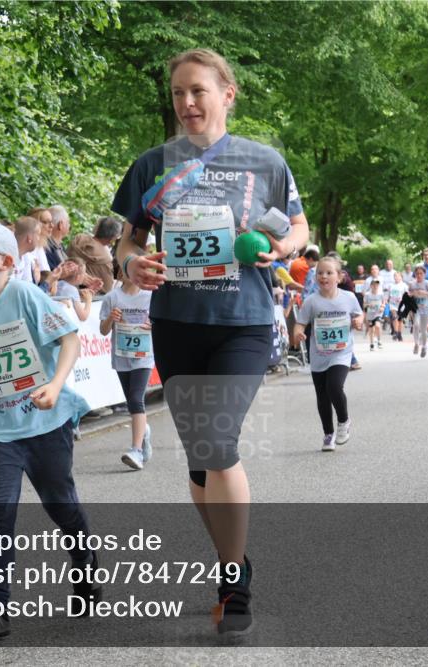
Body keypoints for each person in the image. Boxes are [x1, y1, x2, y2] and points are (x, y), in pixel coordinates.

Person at [112, 48, 309, 635]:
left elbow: (299, 226)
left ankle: (234, 580)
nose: (187, 102)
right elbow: (127, 241)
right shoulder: (153, 164)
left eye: (198, 90)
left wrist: (282, 247)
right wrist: (131, 265)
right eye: (178, 93)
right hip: (177, 321)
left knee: (218, 442)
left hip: (243, 321)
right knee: (201, 460)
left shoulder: (264, 161)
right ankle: (233, 559)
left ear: (227, 94)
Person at [0, 219, 95, 639]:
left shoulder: (25, 294)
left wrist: (55, 384)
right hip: (4, 432)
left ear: (6, 262)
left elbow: (70, 340)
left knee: (61, 507)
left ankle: (85, 564)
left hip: (47, 425)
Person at [293, 256, 362, 452]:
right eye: (320, 273)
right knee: (322, 395)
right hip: (318, 354)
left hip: (341, 352)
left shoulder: (348, 298)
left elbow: (358, 314)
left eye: (329, 273)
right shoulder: (311, 301)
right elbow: (300, 323)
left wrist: (358, 321)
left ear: (339, 277)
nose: (324, 276)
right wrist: (297, 333)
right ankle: (328, 434)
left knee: (334, 386)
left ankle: (343, 420)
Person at [99, 269, 154, 469]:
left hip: (143, 357)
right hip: (122, 356)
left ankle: (136, 451)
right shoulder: (112, 297)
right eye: (126, 270)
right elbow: (103, 330)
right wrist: (110, 318)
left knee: (136, 400)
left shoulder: (150, 296)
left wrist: (152, 324)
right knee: (132, 403)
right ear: (121, 273)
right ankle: (143, 431)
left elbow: (161, 324)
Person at [68, 216, 121, 295]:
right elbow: (107, 288)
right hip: (88, 296)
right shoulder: (106, 259)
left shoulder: (78, 239)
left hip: (65, 288)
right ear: (113, 238)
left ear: (97, 229)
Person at [408, 265, 428, 358]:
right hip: (416, 309)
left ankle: (424, 346)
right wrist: (412, 294)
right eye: (417, 274)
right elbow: (408, 295)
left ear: (424, 274)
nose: (419, 275)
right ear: (415, 274)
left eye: (421, 273)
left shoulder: (427, 283)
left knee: (423, 329)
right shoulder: (412, 284)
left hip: (425, 308)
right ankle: (416, 344)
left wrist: (424, 293)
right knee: (416, 325)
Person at [44, 205, 70, 271]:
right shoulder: (46, 247)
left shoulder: (59, 246)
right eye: (68, 222)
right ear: (60, 225)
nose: (69, 225)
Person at [362, 278, 385, 351]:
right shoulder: (367, 294)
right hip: (370, 314)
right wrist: (369, 305)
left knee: (378, 326)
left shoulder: (381, 294)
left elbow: (384, 302)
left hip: (378, 313)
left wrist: (382, 307)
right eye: (374, 285)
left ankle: (379, 340)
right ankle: (371, 344)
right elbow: (364, 305)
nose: (375, 286)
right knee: (371, 329)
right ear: (371, 286)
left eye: (377, 285)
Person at [387, 271, 408, 341]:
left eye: (398, 276)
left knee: (400, 319)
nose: (396, 277)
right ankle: (395, 333)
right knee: (395, 317)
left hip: (401, 305)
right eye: (395, 276)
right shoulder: (391, 285)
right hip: (392, 304)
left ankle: (399, 333)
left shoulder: (404, 285)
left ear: (401, 277)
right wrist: (386, 300)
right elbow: (388, 294)